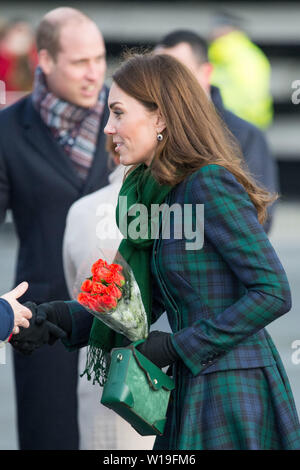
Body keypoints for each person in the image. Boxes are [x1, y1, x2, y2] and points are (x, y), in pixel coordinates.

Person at [11, 53, 300, 450]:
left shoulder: (207, 183)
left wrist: (179, 346)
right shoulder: (157, 195)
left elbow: (273, 292)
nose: (108, 127)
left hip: (234, 391)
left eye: (118, 113)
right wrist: (56, 318)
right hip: (191, 386)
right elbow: (135, 305)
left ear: (160, 118)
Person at [0, 7, 110, 450]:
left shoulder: (126, 119)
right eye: (80, 62)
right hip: (40, 318)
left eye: (100, 59)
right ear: (44, 60)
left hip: (123, 315)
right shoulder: (8, 129)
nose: (94, 73)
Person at [63, 137, 154, 449]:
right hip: (164, 380)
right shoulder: (182, 207)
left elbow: (77, 291)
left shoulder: (84, 211)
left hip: (101, 378)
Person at [155, 29, 278, 233]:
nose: (166, 84)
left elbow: (261, 216)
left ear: (206, 73)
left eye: (177, 74)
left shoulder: (246, 135)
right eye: (157, 75)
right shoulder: (147, 129)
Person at [208, 11, 273, 129]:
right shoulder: (250, 54)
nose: (212, 31)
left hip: (234, 125)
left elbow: (248, 97)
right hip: (249, 125)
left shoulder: (231, 54)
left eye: (218, 26)